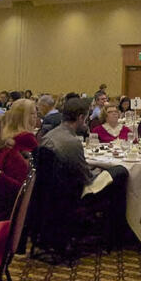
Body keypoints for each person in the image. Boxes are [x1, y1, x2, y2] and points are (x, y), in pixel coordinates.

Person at [41, 97, 130, 243]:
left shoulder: (49, 136)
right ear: (81, 117)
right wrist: (100, 172)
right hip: (71, 194)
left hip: (51, 192)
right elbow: (87, 178)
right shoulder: (72, 142)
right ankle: (117, 234)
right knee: (121, 172)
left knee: (114, 171)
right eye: (86, 117)